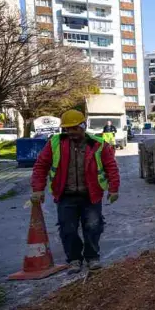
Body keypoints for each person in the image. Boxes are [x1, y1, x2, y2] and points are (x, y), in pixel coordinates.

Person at [31, 109, 120, 274]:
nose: (71, 132)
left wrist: (113, 189)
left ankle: (92, 257)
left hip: (91, 195)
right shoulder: (55, 143)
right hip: (65, 195)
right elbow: (41, 166)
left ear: (83, 126)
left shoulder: (98, 144)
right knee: (68, 229)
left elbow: (111, 167)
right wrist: (38, 189)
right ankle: (74, 259)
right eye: (67, 129)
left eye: (74, 128)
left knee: (93, 227)